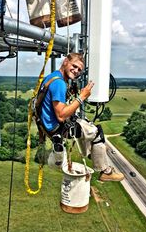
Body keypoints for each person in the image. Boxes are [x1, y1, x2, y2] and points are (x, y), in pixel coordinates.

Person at [39, 53, 124, 182]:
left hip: (48, 123)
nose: (76, 71)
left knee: (86, 125)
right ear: (65, 61)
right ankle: (105, 171)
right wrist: (82, 96)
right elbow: (61, 116)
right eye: (74, 66)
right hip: (57, 126)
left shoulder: (52, 77)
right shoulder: (59, 84)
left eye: (79, 70)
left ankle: (94, 153)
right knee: (96, 132)